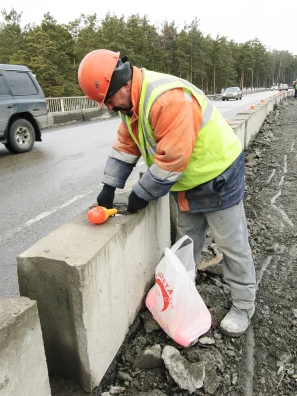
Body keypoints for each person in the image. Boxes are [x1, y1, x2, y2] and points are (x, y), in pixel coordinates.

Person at [78, 49, 257, 337]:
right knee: (186, 240)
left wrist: (141, 193)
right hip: (185, 181)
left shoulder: (166, 99)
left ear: (123, 84)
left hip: (218, 173)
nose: (110, 108)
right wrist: (109, 185)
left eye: (109, 100)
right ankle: (183, 295)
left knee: (230, 242)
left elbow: (172, 160)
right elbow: (126, 145)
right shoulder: (131, 106)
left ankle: (244, 304)